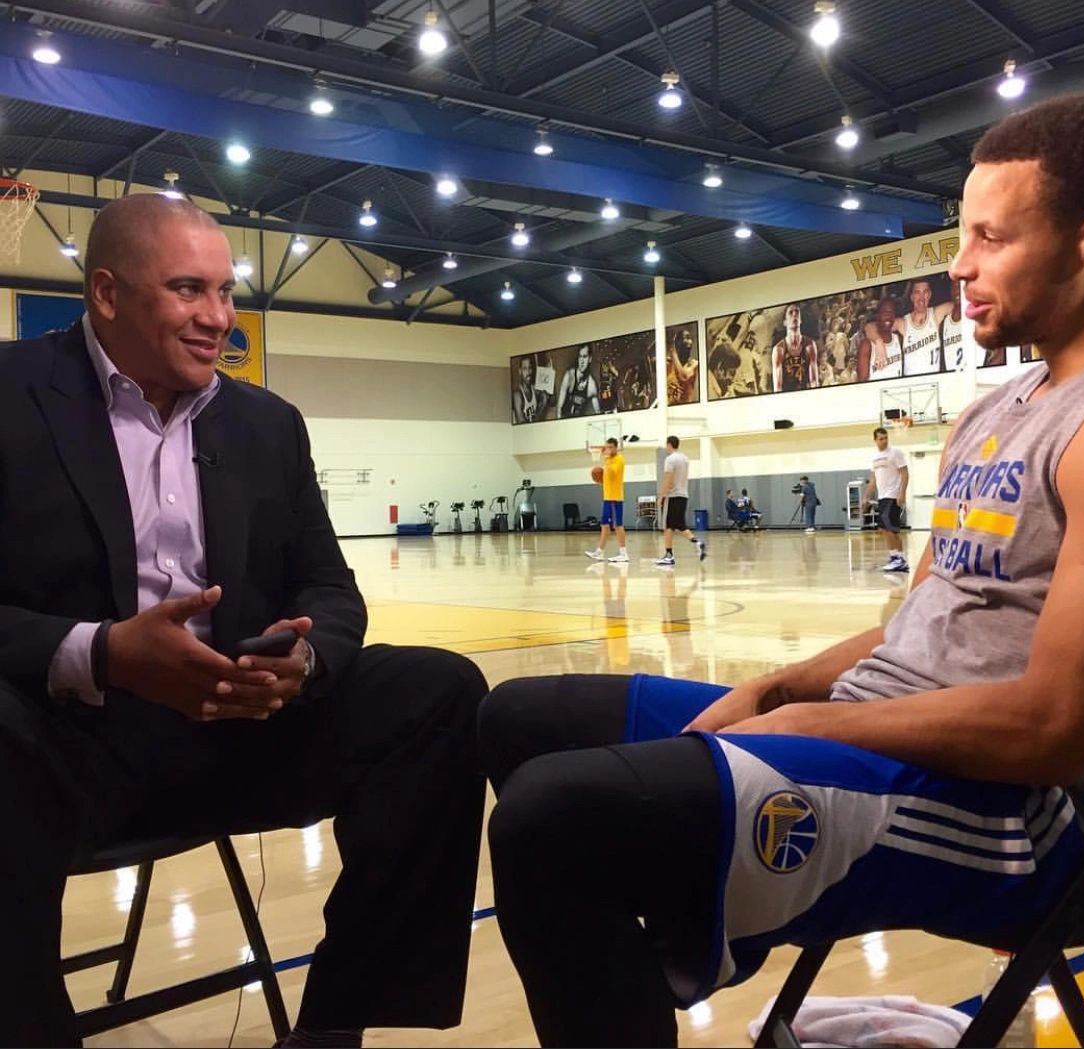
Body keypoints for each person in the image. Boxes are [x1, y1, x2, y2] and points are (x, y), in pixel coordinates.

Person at [477, 90, 1084, 1048]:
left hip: (1014, 818)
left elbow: (1052, 731)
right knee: (519, 717)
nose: (958, 264)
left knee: (553, 820)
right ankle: (632, 965)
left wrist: (813, 717)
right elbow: (914, 627)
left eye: (991, 237)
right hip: (882, 736)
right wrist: (772, 682)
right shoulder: (993, 410)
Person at [0, 194, 488, 1048]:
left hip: (239, 729)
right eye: (188, 290)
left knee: (437, 691)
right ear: (106, 294)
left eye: (226, 292)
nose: (217, 318)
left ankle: (334, 1024)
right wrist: (104, 651)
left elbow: (333, 590)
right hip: (61, 744)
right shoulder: (8, 394)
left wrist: (301, 661)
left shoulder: (268, 423)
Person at [863, 426, 910, 572]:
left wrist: (902, 493)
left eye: (886, 438)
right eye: (881, 439)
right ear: (875, 440)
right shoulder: (874, 457)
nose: (884, 441)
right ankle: (894, 556)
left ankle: (900, 559)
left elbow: (905, 473)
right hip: (882, 496)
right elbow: (873, 480)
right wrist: (866, 497)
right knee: (884, 528)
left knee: (891, 529)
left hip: (893, 494)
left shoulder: (895, 453)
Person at [654, 436, 706, 567]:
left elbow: (668, 479)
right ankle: (698, 543)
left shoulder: (670, 459)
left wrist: (661, 496)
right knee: (680, 525)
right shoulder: (684, 458)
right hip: (683, 495)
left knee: (667, 527)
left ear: (669, 444)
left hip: (672, 496)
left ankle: (669, 555)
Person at [585, 437, 628, 563]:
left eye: (610, 447)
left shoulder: (618, 459)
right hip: (607, 497)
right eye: (607, 447)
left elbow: (613, 472)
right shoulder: (608, 460)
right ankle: (600, 552)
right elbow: (608, 477)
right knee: (604, 525)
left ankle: (623, 553)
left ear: (616, 447)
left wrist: (607, 457)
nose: (608, 449)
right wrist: (600, 480)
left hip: (615, 498)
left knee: (618, 525)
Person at [772, 303, 819, 391]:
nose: (794, 314)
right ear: (785, 322)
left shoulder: (810, 345)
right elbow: (777, 387)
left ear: (800, 320)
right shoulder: (779, 350)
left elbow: (814, 381)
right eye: (790, 312)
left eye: (797, 312)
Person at [858, 297, 904, 382]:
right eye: (884, 312)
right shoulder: (867, 344)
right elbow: (862, 380)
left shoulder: (899, 340)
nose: (888, 315)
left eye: (891, 312)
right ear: (878, 315)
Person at [558, 344, 599, 417]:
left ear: (590, 359)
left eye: (585, 357)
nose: (582, 361)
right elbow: (559, 409)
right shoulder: (569, 376)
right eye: (580, 356)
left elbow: (598, 412)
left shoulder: (592, 386)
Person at [512, 354, 551, 423]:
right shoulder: (517, 395)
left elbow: (548, 399)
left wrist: (545, 399)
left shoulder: (534, 389)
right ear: (520, 371)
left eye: (529, 368)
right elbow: (521, 423)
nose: (528, 372)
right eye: (524, 369)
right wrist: (540, 409)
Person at [667, 328, 700, 405]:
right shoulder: (670, 363)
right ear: (677, 343)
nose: (689, 341)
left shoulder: (694, 364)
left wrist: (673, 353)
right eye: (686, 338)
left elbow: (684, 376)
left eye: (689, 338)